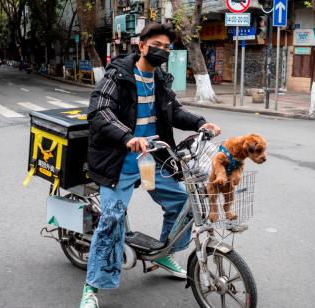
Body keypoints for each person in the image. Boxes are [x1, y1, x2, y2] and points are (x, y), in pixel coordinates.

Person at [80, 23, 221, 308]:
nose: (162, 51)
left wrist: (199, 123)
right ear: (142, 46)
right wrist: (127, 137)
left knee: (183, 203)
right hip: (118, 160)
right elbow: (100, 111)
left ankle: (161, 253)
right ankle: (91, 286)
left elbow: (174, 111)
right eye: (156, 45)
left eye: (167, 48)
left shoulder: (159, 79)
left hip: (152, 159)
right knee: (112, 220)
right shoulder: (117, 75)